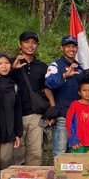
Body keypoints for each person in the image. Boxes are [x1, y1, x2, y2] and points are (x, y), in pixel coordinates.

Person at [10, 31, 54, 166]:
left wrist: (52, 109)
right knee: (13, 153)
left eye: (34, 43)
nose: (30, 45)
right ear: (20, 44)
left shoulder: (42, 66)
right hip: (13, 115)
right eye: (27, 42)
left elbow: (47, 88)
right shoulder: (11, 63)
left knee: (35, 153)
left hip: (35, 115)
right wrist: (12, 69)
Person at [45, 35, 85, 157]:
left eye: (73, 46)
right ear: (62, 48)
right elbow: (48, 83)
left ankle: (73, 176)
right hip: (63, 116)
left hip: (78, 117)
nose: (71, 49)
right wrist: (64, 76)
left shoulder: (80, 67)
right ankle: (59, 176)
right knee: (60, 153)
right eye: (68, 46)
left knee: (76, 151)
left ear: (77, 49)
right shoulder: (55, 65)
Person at [66, 81, 89, 153]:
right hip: (77, 143)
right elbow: (69, 123)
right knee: (78, 163)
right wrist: (74, 140)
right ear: (79, 92)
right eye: (84, 90)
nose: (87, 93)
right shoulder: (74, 105)